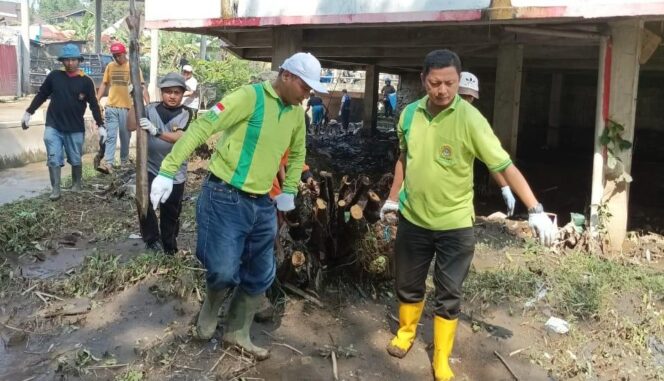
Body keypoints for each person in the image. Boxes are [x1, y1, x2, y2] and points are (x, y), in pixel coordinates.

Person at [379, 50, 555, 381]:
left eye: (450, 83)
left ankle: (441, 358)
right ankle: (406, 333)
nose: (442, 90)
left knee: (449, 293)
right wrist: (392, 199)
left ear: (459, 82)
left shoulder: (471, 120)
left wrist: (535, 208)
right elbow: (405, 157)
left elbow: (503, 164)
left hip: (455, 226)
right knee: (407, 282)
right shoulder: (408, 115)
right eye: (435, 83)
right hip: (413, 220)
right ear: (423, 80)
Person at [149, 52, 327, 360]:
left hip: (263, 204)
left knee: (261, 272)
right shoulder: (250, 97)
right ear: (286, 76)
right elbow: (204, 127)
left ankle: (236, 331)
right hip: (226, 196)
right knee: (222, 269)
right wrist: (168, 168)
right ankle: (210, 310)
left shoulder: (297, 113)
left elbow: (297, 154)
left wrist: (287, 192)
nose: (307, 95)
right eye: (305, 87)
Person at [22, 44, 105, 201]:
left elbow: (94, 105)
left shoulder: (86, 81)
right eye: (66, 60)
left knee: (75, 157)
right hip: (54, 125)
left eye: (73, 60)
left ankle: (77, 184)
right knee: (53, 156)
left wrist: (101, 125)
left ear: (79, 61)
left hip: (75, 128)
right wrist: (29, 112)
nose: (70, 63)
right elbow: (41, 95)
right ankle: (55, 189)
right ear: (62, 61)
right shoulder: (54, 76)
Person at [126, 73, 192, 254]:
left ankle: (169, 246)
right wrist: (135, 100)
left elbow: (178, 138)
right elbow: (131, 125)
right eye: (168, 92)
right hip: (149, 167)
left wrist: (155, 131)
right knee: (144, 202)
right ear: (161, 92)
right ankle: (151, 239)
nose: (172, 96)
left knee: (170, 210)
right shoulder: (150, 109)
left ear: (182, 94)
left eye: (176, 92)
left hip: (174, 172)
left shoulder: (187, 113)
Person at [459, 71, 516, 216]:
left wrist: (504, 187)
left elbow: (492, 159)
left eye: (469, 97)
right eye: (462, 95)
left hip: (458, 195)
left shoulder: (474, 121)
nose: (466, 100)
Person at [96, 41, 149, 173]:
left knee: (125, 137)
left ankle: (124, 161)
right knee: (111, 136)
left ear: (124, 53)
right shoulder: (110, 66)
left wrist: (148, 104)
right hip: (111, 107)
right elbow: (104, 83)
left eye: (119, 55)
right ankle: (108, 163)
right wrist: (96, 100)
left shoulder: (132, 67)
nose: (117, 58)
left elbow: (142, 86)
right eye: (114, 55)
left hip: (127, 108)